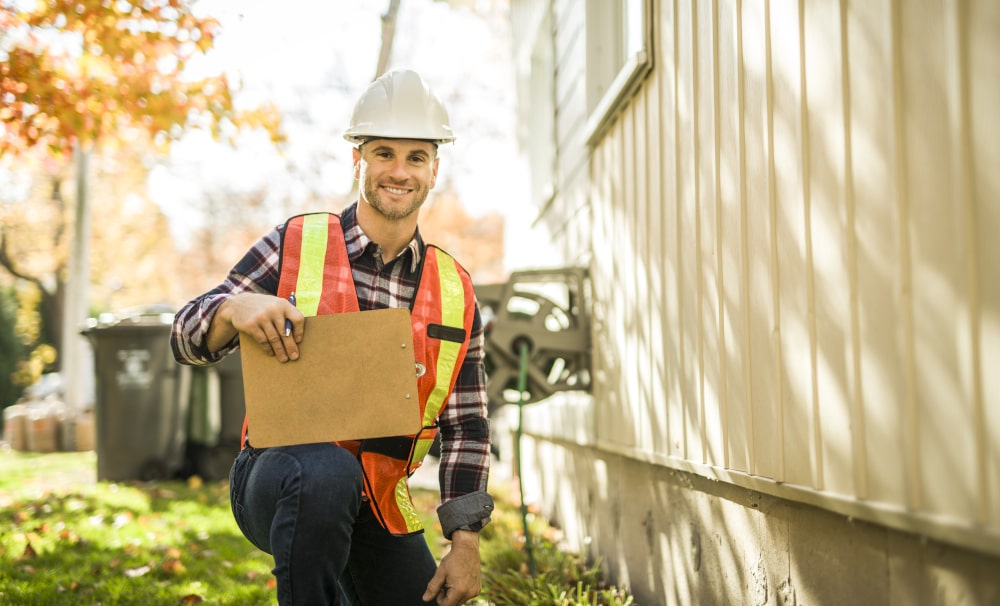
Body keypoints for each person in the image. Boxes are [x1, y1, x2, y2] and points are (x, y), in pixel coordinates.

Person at [171, 68, 494, 606]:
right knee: (325, 472)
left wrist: (464, 542)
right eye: (383, 153)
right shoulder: (295, 244)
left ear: (434, 170)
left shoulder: (455, 290)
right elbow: (185, 335)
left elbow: (467, 424)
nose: (399, 170)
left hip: (381, 496)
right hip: (280, 475)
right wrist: (234, 307)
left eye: (416, 157)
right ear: (357, 160)